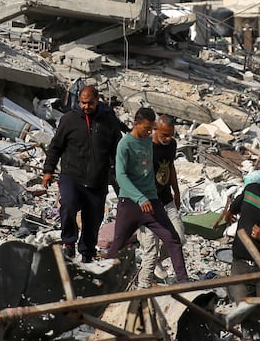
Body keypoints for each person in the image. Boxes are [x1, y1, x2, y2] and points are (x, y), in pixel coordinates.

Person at [42, 84, 125, 263]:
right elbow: (56, 146)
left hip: (98, 179)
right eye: (83, 103)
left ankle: (87, 253)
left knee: (93, 218)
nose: (86, 107)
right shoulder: (69, 120)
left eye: (90, 103)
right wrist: (48, 170)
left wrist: (121, 176)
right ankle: (69, 243)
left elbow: (117, 151)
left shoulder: (108, 122)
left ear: (97, 101)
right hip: (72, 174)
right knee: (68, 206)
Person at [105, 108, 190, 282]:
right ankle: (99, 279)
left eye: (151, 128)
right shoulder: (126, 144)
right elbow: (121, 176)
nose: (149, 132)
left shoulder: (149, 142)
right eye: (146, 128)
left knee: (173, 239)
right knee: (118, 246)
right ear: (136, 124)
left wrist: (174, 191)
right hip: (130, 203)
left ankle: (183, 282)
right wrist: (139, 197)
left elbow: (161, 166)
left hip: (153, 202)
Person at [135, 115, 184, 287]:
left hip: (166, 199)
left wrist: (176, 192)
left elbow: (170, 167)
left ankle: (157, 261)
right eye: (164, 134)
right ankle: (143, 287)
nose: (167, 138)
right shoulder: (145, 148)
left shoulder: (171, 145)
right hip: (148, 204)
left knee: (179, 238)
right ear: (155, 129)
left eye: (170, 134)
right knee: (150, 249)